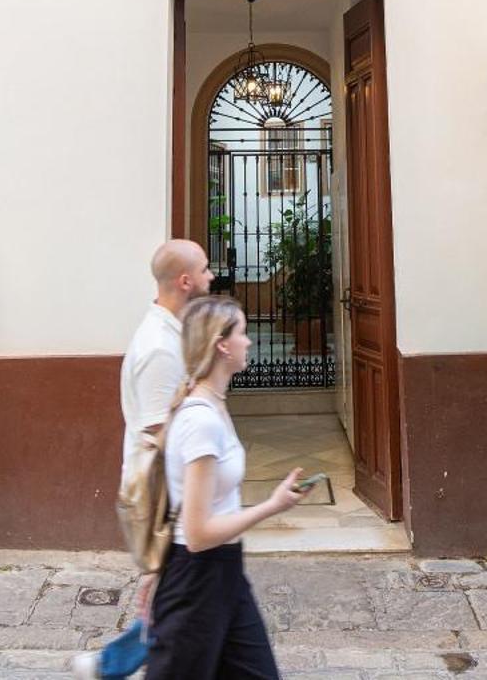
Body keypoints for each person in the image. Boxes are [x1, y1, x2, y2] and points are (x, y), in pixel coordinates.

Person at [144, 295, 309, 680]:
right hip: (197, 580)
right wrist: (272, 505)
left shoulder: (214, 406)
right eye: (243, 333)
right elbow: (199, 533)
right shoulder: (201, 420)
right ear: (222, 345)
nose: (249, 342)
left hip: (224, 573)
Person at [72, 241, 214, 680]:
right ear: (185, 281)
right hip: (160, 495)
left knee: (188, 597)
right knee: (183, 597)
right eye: (206, 270)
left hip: (172, 494)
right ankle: (109, 665)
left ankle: (112, 664)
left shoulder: (172, 333)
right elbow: (161, 434)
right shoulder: (159, 348)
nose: (212, 277)